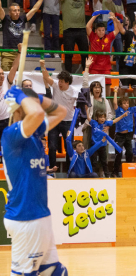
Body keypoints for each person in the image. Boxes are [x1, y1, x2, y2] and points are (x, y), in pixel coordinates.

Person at [2, 86, 68, 275]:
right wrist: (22, 96)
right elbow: (38, 114)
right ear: (20, 109)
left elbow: (61, 111)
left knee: (56, 272)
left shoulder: (35, 133)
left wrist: (34, 97)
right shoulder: (11, 135)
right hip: (25, 218)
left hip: (40, 216)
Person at [40, 60, 79, 168]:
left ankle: (69, 170)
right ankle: (52, 169)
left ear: (67, 82)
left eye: (62, 81)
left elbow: (81, 105)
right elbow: (47, 78)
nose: (59, 83)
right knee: (52, 146)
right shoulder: (56, 86)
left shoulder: (74, 91)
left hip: (68, 122)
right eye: (59, 81)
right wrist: (43, 66)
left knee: (68, 147)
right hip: (55, 121)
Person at [0, 1, 43, 70]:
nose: (17, 12)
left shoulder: (22, 19)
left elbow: (34, 9)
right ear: (10, 12)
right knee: (5, 78)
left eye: (18, 10)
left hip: (19, 54)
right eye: (14, 11)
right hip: (7, 54)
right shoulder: (6, 19)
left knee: (18, 79)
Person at [86, 108, 129, 177]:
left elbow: (114, 121)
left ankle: (107, 176)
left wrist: (123, 115)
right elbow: (88, 118)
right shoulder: (94, 123)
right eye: (100, 117)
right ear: (97, 118)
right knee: (93, 162)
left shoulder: (106, 123)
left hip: (102, 146)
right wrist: (86, 110)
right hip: (94, 146)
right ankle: (92, 175)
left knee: (104, 162)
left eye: (103, 117)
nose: (102, 119)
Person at [82, 57, 113, 149]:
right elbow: (85, 83)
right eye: (95, 87)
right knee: (89, 153)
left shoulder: (106, 101)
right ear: (92, 89)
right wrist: (87, 67)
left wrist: (107, 126)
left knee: (103, 155)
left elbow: (110, 115)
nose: (97, 89)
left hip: (102, 130)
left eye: (99, 87)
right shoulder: (89, 98)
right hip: (89, 129)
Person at [112, 86, 136, 177]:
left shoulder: (130, 110)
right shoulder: (118, 111)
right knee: (119, 153)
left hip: (128, 135)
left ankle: (129, 171)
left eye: (127, 103)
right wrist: (115, 92)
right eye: (124, 103)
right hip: (119, 136)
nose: (126, 105)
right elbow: (114, 102)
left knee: (129, 153)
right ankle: (115, 172)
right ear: (121, 104)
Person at [86, 13, 119, 97]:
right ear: (96, 31)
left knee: (107, 91)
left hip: (106, 68)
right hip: (94, 68)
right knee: (93, 90)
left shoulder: (108, 37)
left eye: (103, 30)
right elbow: (87, 27)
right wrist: (95, 16)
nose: (101, 32)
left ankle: (107, 105)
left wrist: (114, 19)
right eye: (99, 30)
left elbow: (117, 30)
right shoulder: (92, 36)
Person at [61, 0, 89, 72]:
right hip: (68, 29)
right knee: (68, 55)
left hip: (81, 29)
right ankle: (68, 77)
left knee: (85, 54)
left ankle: (86, 75)